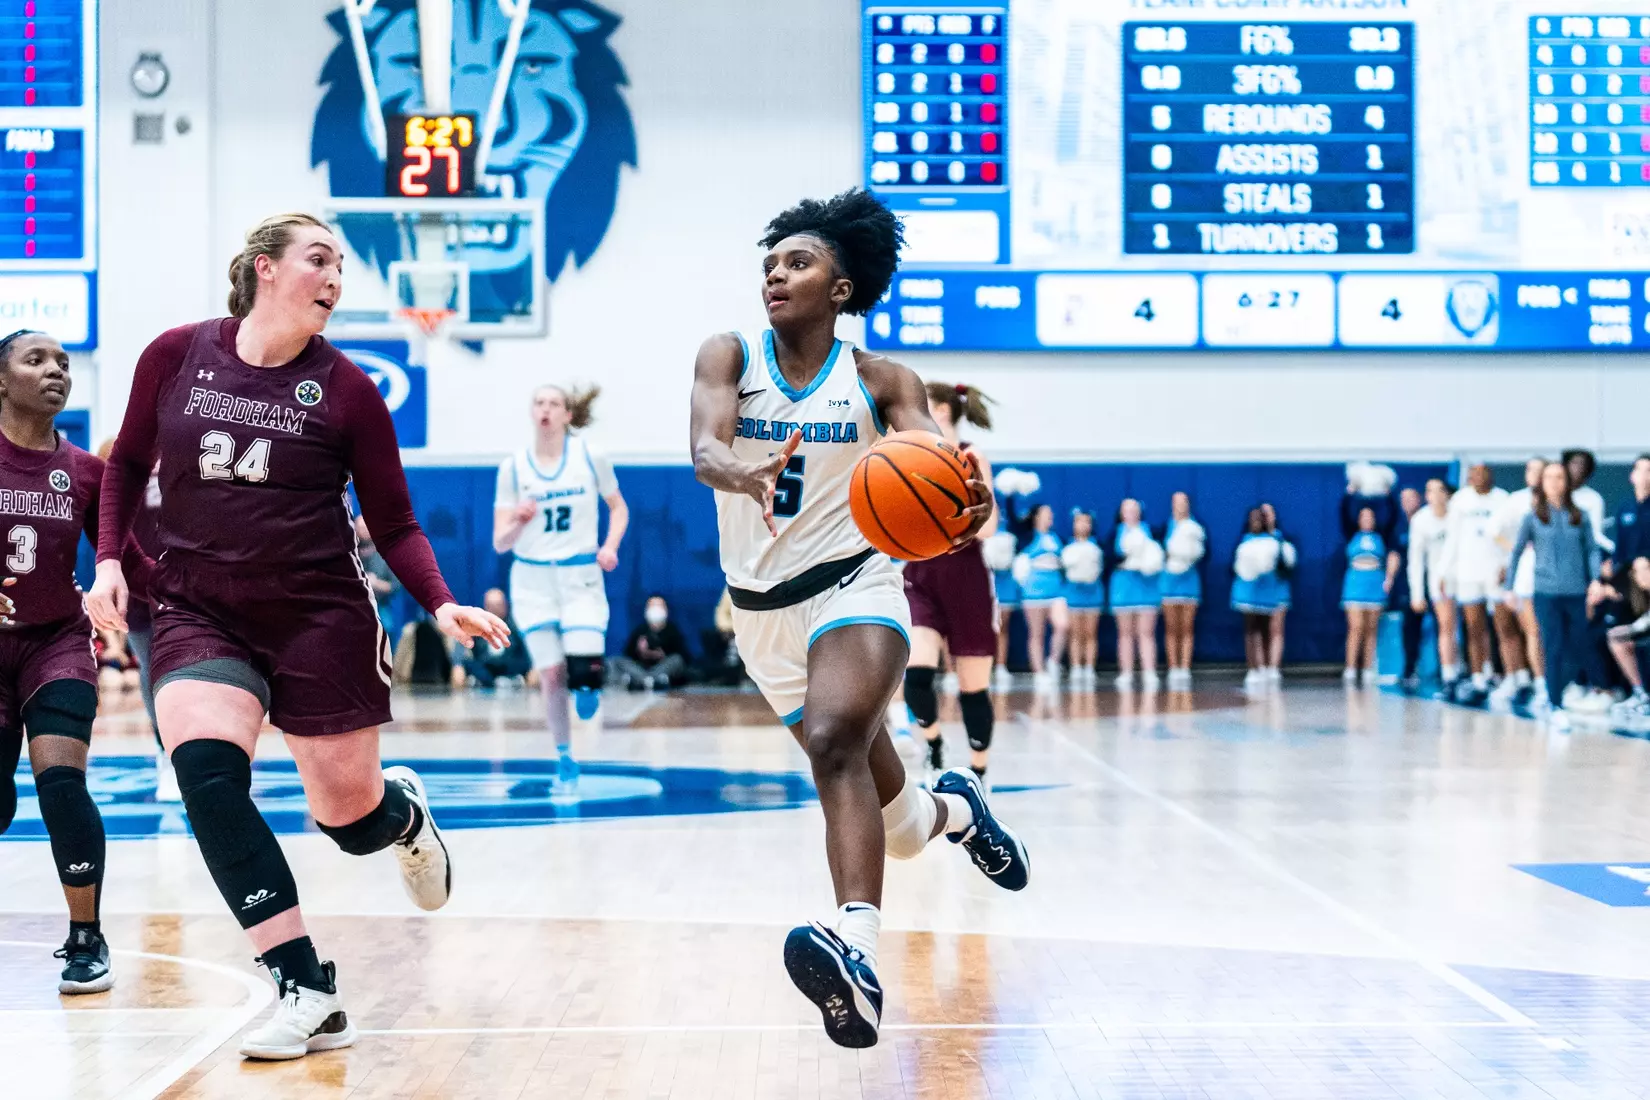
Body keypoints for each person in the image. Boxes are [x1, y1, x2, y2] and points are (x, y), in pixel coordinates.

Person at [87, 212, 510, 1061]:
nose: (336, 279)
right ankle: (307, 987)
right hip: (199, 607)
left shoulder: (349, 391)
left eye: (342, 266)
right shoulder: (175, 355)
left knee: (348, 823)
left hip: (319, 615)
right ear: (264, 269)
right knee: (206, 776)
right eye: (320, 260)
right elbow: (126, 463)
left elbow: (393, 522)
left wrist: (439, 603)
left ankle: (403, 815)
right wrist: (106, 560)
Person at [688, 189, 1028, 1049]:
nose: (776, 274)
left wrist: (968, 502)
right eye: (770, 263)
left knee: (837, 741)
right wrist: (742, 470)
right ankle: (961, 812)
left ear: (842, 290)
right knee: (901, 822)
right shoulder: (730, 353)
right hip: (760, 613)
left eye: (797, 263)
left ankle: (858, 955)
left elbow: (937, 464)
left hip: (859, 585)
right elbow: (705, 448)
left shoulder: (882, 380)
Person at [0, 331, 149, 995]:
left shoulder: (87, 472)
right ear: (2, 380)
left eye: (63, 362)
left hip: (57, 641)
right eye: (36, 360)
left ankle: (86, 937)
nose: (55, 370)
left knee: (61, 785)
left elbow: (128, 562)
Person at [493, 383, 629, 787]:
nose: (545, 409)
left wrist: (609, 546)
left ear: (568, 415)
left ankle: (589, 687)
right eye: (539, 402)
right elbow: (499, 543)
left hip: (580, 573)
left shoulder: (590, 457)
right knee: (551, 674)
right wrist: (517, 519)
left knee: (582, 666)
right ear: (531, 412)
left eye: (554, 403)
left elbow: (619, 508)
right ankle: (565, 755)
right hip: (531, 578)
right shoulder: (513, 468)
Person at [900, 382, 1001, 782]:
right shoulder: (909, 456)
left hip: (966, 574)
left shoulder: (972, 457)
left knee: (973, 688)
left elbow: (989, 527)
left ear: (940, 411)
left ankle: (979, 773)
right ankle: (934, 746)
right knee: (917, 671)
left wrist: (956, 510)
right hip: (921, 571)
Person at [1505, 461, 1602, 732]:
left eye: (1559, 477)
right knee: (1553, 645)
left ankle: (1571, 687)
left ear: (1567, 482)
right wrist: (1510, 588)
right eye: (1549, 477)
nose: (1554, 482)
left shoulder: (1579, 516)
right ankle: (1554, 702)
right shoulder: (1533, 517)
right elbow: (1516, 552)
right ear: (1542, 483)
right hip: (1546, 591)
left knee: (1579, 644)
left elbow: (1591, 550)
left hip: (1575, 590)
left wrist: (1594, 580)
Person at [1439, 462, 1508, 700]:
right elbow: (1451, 539)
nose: (1475, 477)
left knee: (1503, 626)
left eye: (1480, 472)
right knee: (1474, 627)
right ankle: (1478, 676)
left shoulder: (1502, 499)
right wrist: (1443, 571)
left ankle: (1505, 676)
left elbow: (1510, 537)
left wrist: (1507, 565)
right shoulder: (1460, 500)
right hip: (1468, 572)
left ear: (1491, 474)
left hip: (1495, 572)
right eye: (1472, 474)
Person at [1487, 457, 1547, 707]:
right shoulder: (1516, 500)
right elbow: (1493, 530)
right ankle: (1534, 682)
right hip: (1525, 574)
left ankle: (1547, 681)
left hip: (1555, 575)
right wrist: (1516, 551)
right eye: (1530, 469)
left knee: (1545, 632)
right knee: (1530, 630)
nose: (1533, 474)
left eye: (1539, 470)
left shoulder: (1560, 501)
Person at [1233, 507, 1293, 690]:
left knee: (1267, 629)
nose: (1257, 521)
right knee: (1251, 630)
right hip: (1247, 592)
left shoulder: (1275, 542)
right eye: (1253, 518)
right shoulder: (1244, 542)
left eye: (1260, 518)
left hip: (1268, 591)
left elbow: (1284, 566)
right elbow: (1238, 567)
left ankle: (1267, 666)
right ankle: (1253, 668)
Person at [1407, 479, 1458, 690]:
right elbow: (1416, 560)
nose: (1435, 495)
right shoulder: (1421, 520)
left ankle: (1480, 673)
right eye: (1429, 491)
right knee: (1446, 626)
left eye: (1439, 490)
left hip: (1467, 578)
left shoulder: (1458, 515)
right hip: (1439, 581)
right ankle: (1449, 676)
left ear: (1447, 494)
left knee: (1475, 628)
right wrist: (1417, 594)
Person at [1109, 498, 1164, 691]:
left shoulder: (1152, 531)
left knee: (1146, 632)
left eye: (1134, 509)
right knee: (1125, 633)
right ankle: (1126, 672)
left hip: (1147, 587)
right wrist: (1127, 558)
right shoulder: (1115, 533)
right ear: (1121, 513)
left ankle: (1149, 672)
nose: (1131, 513)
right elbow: (1110, 558)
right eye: (1127, 509)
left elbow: (1158, 555)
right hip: (1123, 587)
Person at [1341, 507, 1397, 687]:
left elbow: (1392, 515)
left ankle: (1367, 667)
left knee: (1371, 629)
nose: (1367, 519)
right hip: (1356, 584)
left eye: (1370, 516)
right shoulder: (1352, 534)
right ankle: (1350, 668)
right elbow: (1343, 512)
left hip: (1374, 583)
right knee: (1356, 627)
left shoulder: (1381, 536)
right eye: (1363, 516)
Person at [1016, 503, 1067, 684]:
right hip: (1034, 591)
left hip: (1056, 590)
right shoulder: (1027, 537)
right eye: (1046, 513)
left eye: (1051, 513)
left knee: (1062, 625)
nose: (1050, 516)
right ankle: (1038, 672)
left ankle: (1053, 661)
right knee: (1036, 633)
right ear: (1036, 516)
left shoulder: (1056, 538)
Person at [1160, 491, 1205, 689]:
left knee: (1187, 626)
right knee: (1171, 627)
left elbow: (1203, 552)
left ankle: (1185, 667)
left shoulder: (1196, 528)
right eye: (1177, 502)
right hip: (1169, 583)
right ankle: (1173, 667)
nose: (1181, 505)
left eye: (1184, 502)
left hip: (1189, 583)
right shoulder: (1165, 527)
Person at [451, 588, 534, 688]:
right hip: (485, 665)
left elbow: (526, 653)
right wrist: (458, 664)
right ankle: (481, 681)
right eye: (491, 606)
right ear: (485, 606)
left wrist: (532, 668)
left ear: (505, 606)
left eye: (498, 605)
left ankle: (511, 681)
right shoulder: (476, 624)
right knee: (469, 665)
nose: (495, 609)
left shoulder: (516, 626)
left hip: (509, 665)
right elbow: (462, 644)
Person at [1604, 557, 1650, 726]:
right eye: (1638, 571)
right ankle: (1641, 693)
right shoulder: (1640, 595)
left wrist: (1629, 630)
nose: (1642, 575)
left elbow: (1643, 624)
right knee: (1618, 641)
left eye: (1646, 569)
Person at [1059, 509, 1102, 689]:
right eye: (1079, 522)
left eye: (1086, 522)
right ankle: (1076, 666)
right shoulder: (1067, 547)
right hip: (1073, 593)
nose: (1083, 525)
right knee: (1075, 633)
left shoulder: (1096, 547)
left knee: (1090, 633)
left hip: (1092, 593)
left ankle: (1089, 667)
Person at [611, 594, 692, 690]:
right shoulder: (640, 630)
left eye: (659, 606)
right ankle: (649, 680)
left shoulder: (672, 630)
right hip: (642, 669)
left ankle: (646, 680)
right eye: (652, 606)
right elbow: (627, 656)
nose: (655, 610)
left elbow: (683, 657)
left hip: (662, 668)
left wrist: (661, 655)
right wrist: (640, 651)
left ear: (665, 610)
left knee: (676, 659)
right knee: (616, 661)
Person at [354, 514, 402, 644]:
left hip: (380, 609)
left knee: (385, 628)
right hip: (353, 609)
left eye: (366, 527)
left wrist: (375, 584)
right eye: (359, 527)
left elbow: (395, 586)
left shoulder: (386, 553)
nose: (363, 530)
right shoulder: (349, 552)